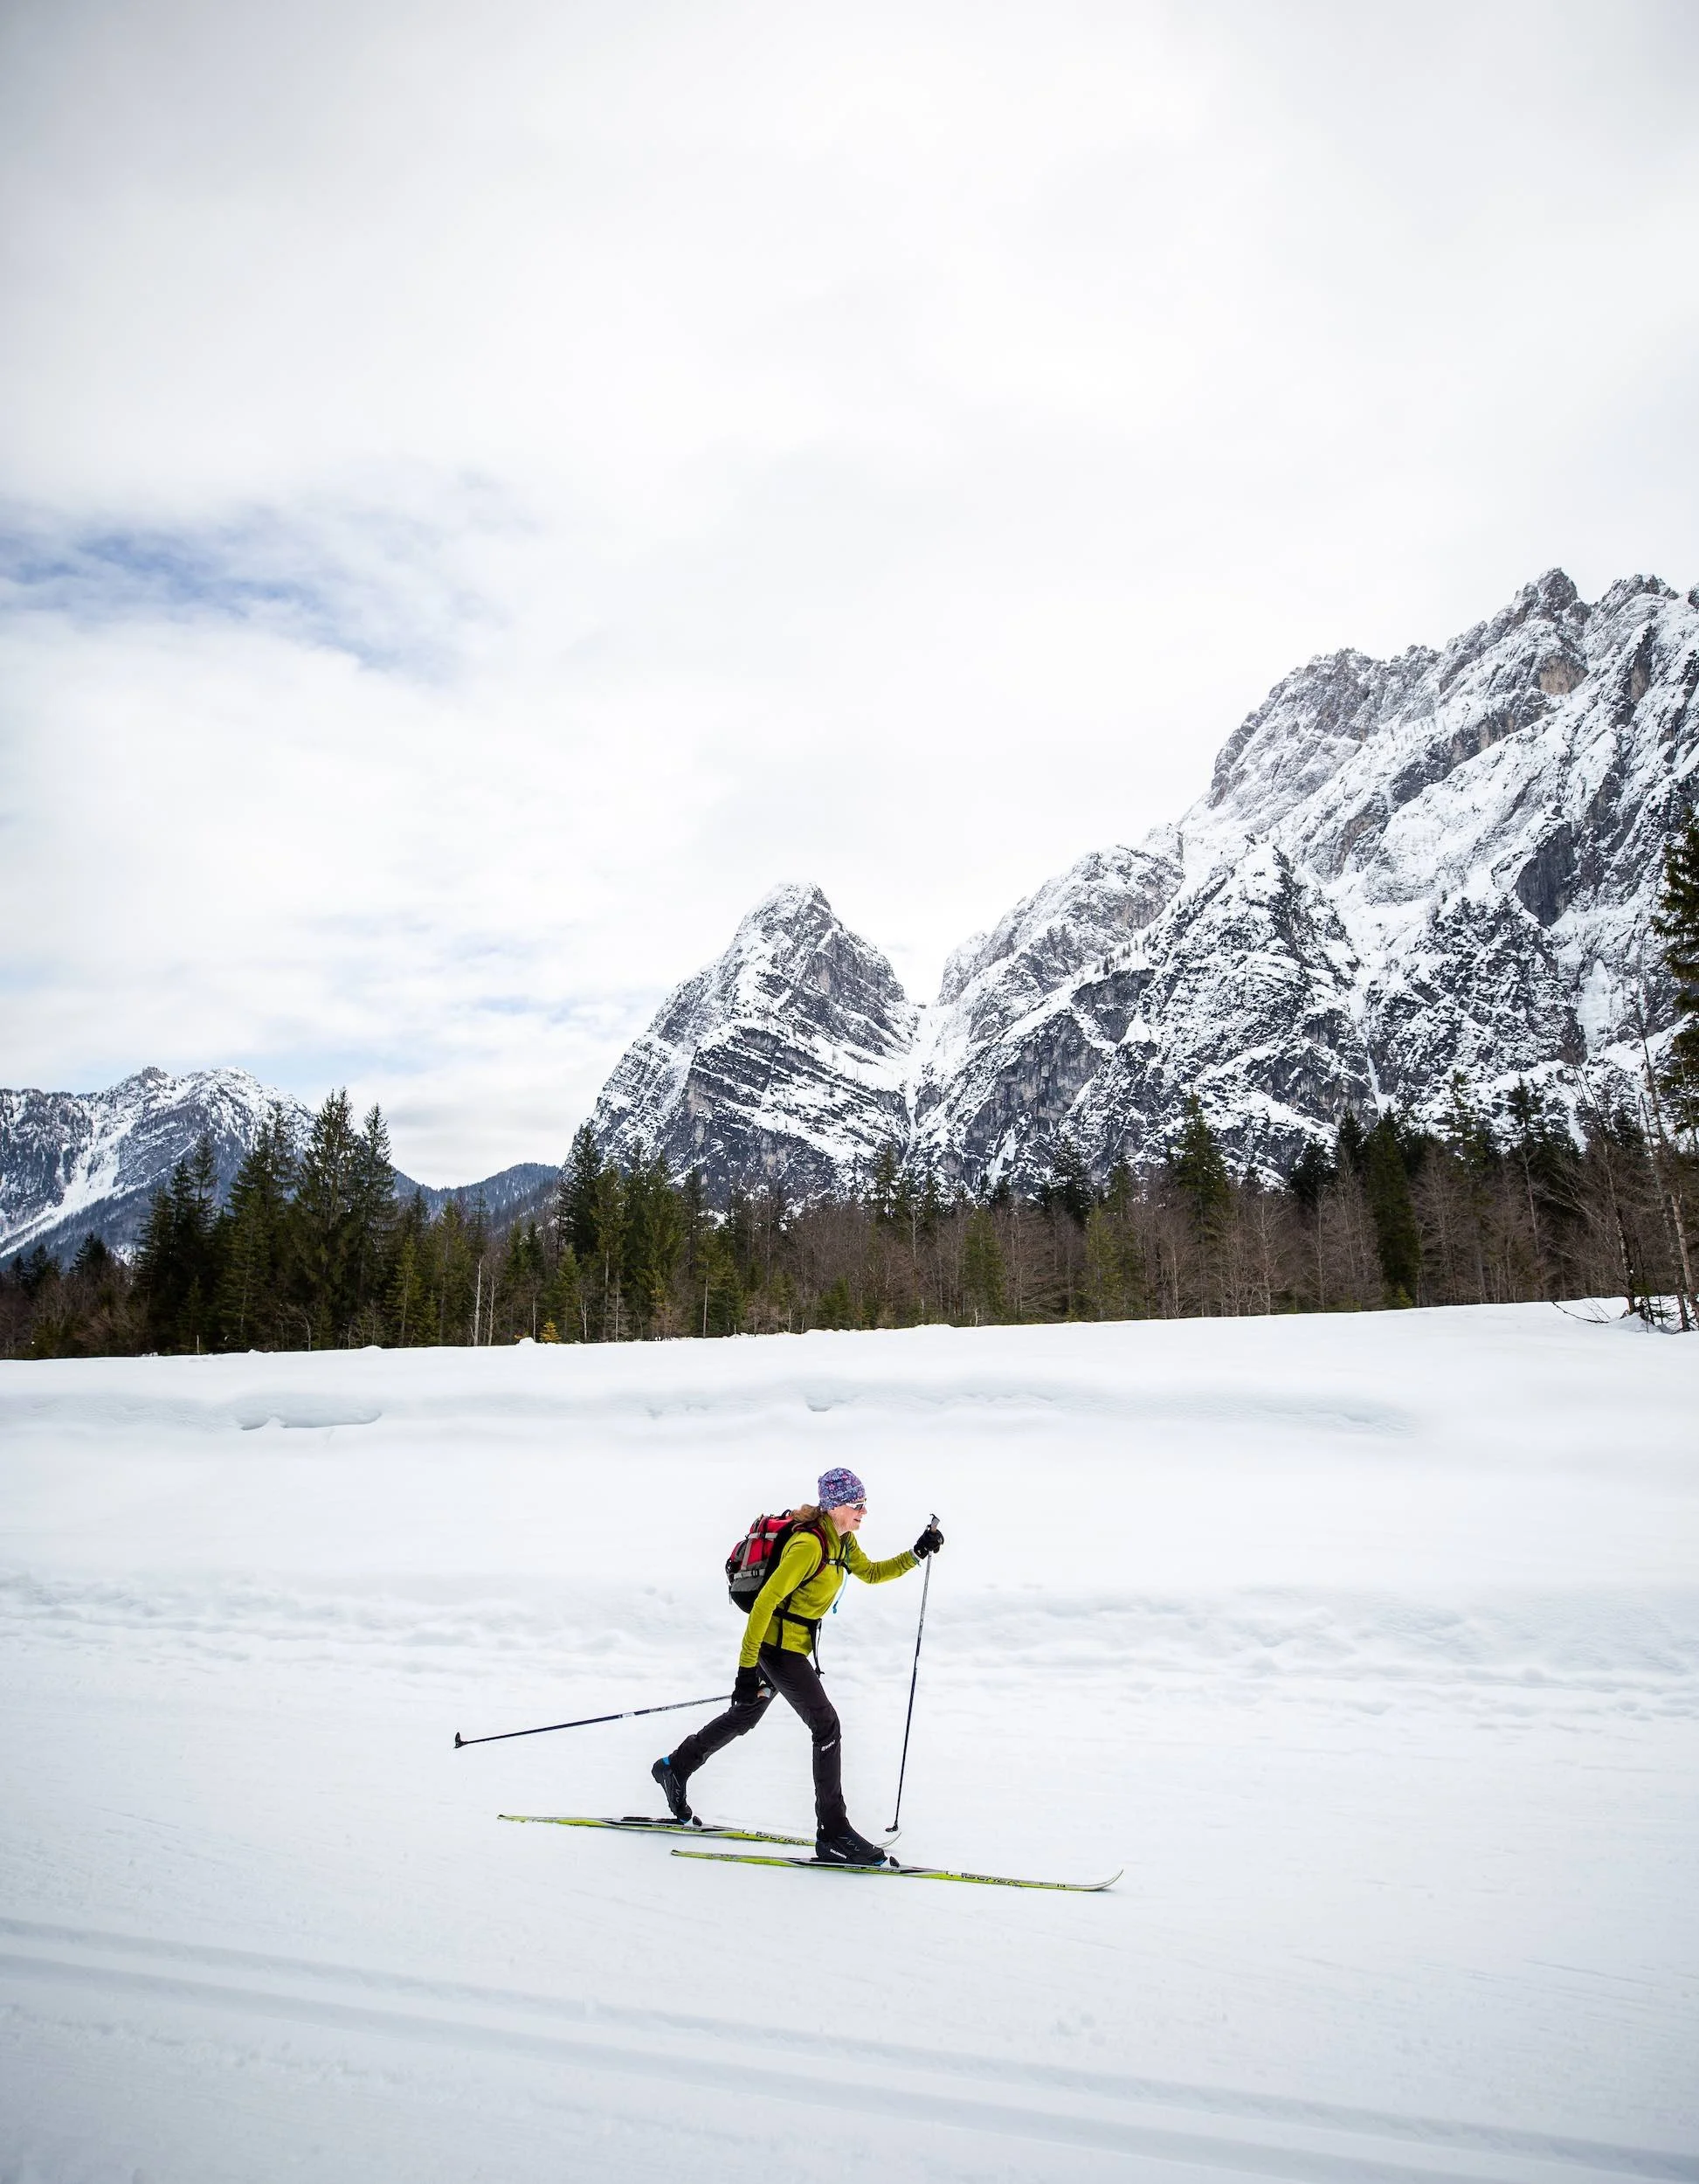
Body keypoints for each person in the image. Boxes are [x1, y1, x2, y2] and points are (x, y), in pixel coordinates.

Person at [653, 1468, 943, 1865]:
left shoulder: (842, 1542)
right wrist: (744, 1671)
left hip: (791, 1647)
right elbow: (764, 1604)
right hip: (776, 1649)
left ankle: (675, 1767)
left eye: (864, 1505)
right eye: (856, 1506)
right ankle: (834, 1832)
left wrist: (916, 1553)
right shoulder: (808, 1545)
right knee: (826, 1725)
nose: (863, 1513)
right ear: (834, 1506)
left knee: (745, 1716)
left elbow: (873, 1573)